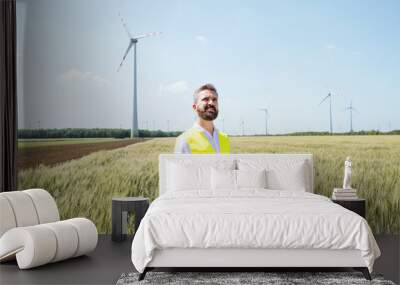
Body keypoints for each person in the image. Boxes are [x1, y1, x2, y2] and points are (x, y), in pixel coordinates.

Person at [174, 83, 230, 154]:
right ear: (195, 107)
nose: (211, 103)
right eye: (206, 99)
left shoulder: (225, 138)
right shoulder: (184, 140)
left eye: (214, 99)